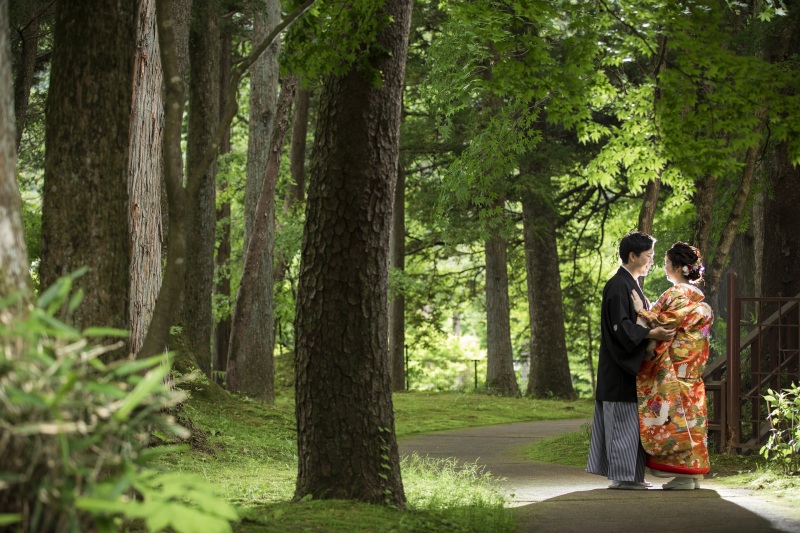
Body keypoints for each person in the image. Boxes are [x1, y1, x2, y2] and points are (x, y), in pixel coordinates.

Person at [587, 231, 676, 490]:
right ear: (633, 255)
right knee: (621, 424)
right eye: (648, 256)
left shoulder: (631, 285)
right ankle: (623, 478)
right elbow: (621, 328)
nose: (651, 261)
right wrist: (650, 333)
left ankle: (630, 477)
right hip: (618, 368)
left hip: (628, 367)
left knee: (629, 424)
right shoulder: (618, 285)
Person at [632, 241, 714, 490]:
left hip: (675, 367)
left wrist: (640, 310)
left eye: (667, 264)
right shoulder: (699, 300)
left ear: (678, 267)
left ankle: (683, 475)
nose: (665, 268)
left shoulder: (675, 294)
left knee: (677, 419)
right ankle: (693, 475)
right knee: (693, 419)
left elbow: (663, 322)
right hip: (692, 369)